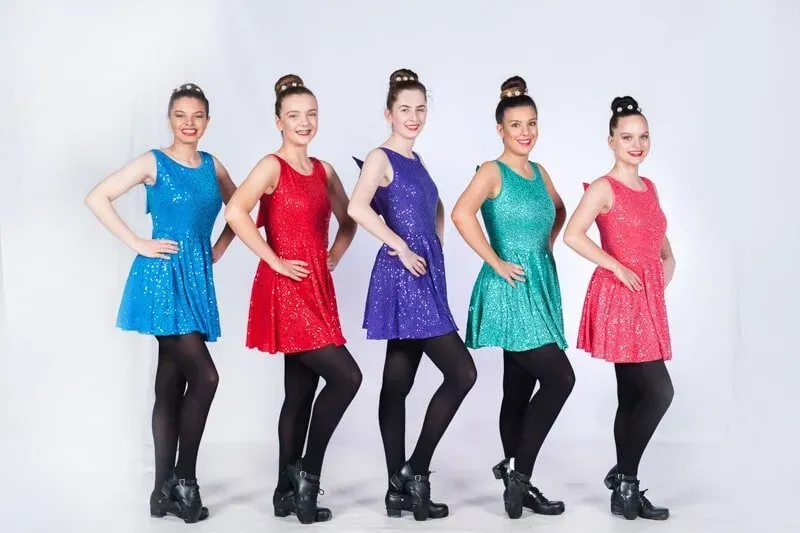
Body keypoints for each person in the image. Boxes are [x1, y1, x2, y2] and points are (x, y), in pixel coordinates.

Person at [84, 83, 237, 523]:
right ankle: (183, 481)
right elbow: (98, 196)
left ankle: (160, 493)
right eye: (180, 115)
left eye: (197, 116)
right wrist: (137, 242)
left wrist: (221, 246)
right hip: (161, 279)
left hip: (194, 277)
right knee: (205, 377)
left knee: (171, 381)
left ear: (207, 120)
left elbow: (244, 208)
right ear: (170, 119)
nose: (189, 124)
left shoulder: (213, 166)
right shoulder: (154, 161)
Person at [224, 74, 362, 525]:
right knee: (347, 378)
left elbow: (349, 218)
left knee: (300, 391)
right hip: (286, 288)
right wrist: (275, 261)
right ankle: (307, 473)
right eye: (294, 116)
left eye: (311, 115)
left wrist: (333, 258)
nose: (304, 123)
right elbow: (235, 211)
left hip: (317, 285)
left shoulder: (324, 170)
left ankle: (285, 491)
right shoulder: (271, 166)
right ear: (279, 121)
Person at [347, 68, 477, 522]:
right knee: (462, 373)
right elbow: (356, 206)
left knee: (397, 382)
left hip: (424, 271)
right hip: (403, 275)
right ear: (389, 113)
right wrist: (400, 245)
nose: (414, 117)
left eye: (421, 109)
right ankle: (414, 473)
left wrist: (435, 242)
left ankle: (395, 490)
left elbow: (433, 207)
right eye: (405, 109)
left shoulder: (417, 162)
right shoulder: (380, 156)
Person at [451, 76, 575, 519]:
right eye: (516, 125)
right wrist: (497, 260)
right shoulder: (491, 170)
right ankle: (520, 477)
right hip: (509, 287)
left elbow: (558, 209)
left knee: (518, 387)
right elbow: (461, 214)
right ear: (500, 129)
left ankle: (515, 482)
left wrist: (546, 243)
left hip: (538, 281)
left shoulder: (540, 173)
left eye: (532, 124)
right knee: (561, 380)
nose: (525, 132)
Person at [563, 96, 674, 521]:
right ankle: (625, 478)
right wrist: (617, 265)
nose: (637, 143)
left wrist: (668, 264)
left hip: (647, 300)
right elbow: (573, 234)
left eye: (643, 136)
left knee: (632, 394)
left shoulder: (651, 188)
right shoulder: (603, 187)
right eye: (627, 136)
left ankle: (624, 485)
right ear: (611, 140)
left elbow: (661, 245)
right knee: (659, 392)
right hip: (620, 297)